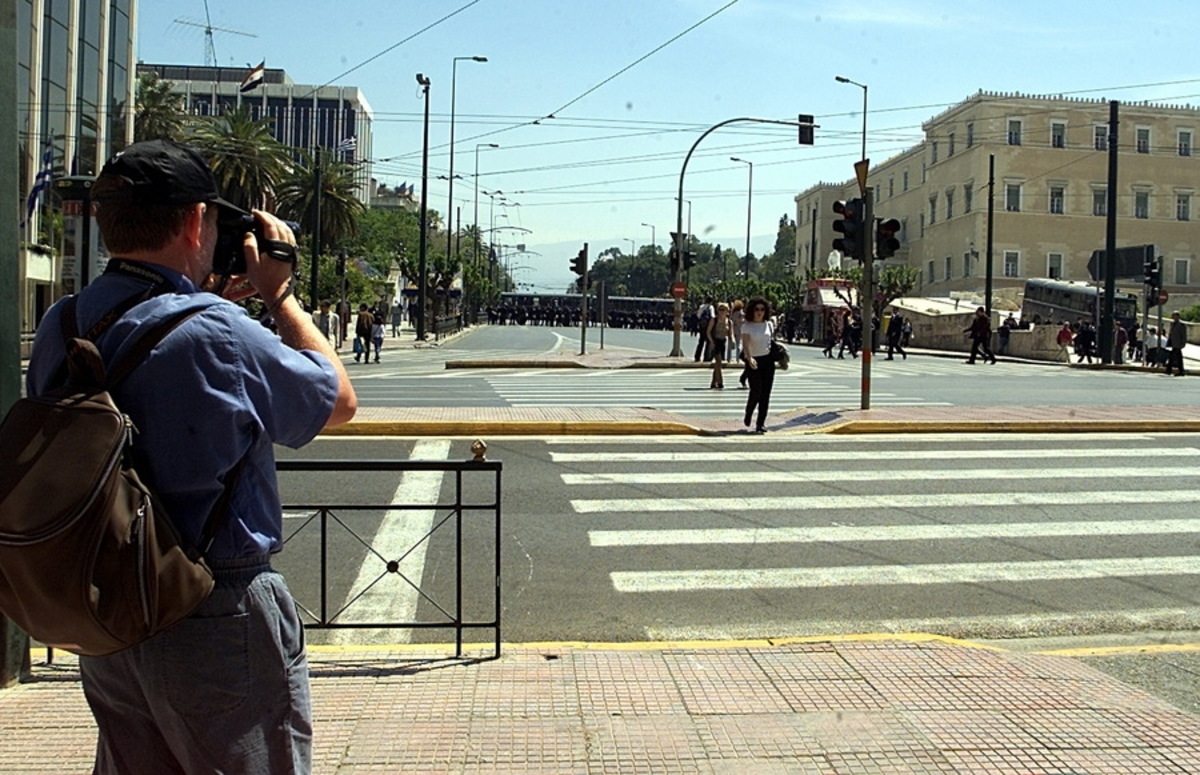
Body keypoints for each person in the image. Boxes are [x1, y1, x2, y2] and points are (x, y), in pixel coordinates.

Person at [24, 139, 357, 773]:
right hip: (214, 604)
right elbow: (336, 400)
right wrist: (280, 297)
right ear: (194, 221)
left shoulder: (63, 323)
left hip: (108, 608)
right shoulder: (218, 330)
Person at [740, 297, 778, 433]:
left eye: (762, 309)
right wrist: (749, 358)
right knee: (756, 391)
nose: (759, 312)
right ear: (752, 310)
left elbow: (770, 342)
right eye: (757, 309)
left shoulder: (769, 324)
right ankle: (749, 412)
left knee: (765, 394)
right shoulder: (747, 326)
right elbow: (745, 345)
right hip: (753, 361)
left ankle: (760, 423)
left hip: (768, 362)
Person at [706, 301, 731, 389]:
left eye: (723, 310)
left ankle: (713, 382)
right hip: (715, 342)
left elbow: (731, 334)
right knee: (718, 361)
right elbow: (708, 332)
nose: (721, 311)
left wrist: (733, 341)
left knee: (717, 364)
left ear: (727, 311)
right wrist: (711, 341)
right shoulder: (714, 320)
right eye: (720, 309)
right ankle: (720, 381)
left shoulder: (729, 322)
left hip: (722, 342)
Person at [693, 296, 715, 362]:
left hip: (702, 326)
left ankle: (697, 357)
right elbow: (712, 316)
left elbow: (698, 315)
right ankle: (706, 357)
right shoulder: (711, 307)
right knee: (708, 342)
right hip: (708, 326)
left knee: (701, 342)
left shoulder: (702, 306)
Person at [1165, 311, 1188, 376]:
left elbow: (1183, 335)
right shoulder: (1172, 324)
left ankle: (1175, 370)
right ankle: (1170, 370)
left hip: (1178, 344)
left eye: (1175, 316)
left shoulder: (1181, 325)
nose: (1174, 317)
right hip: (1173, 343)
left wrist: (1183, 343)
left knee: (1176, 358)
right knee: (1173, 357)